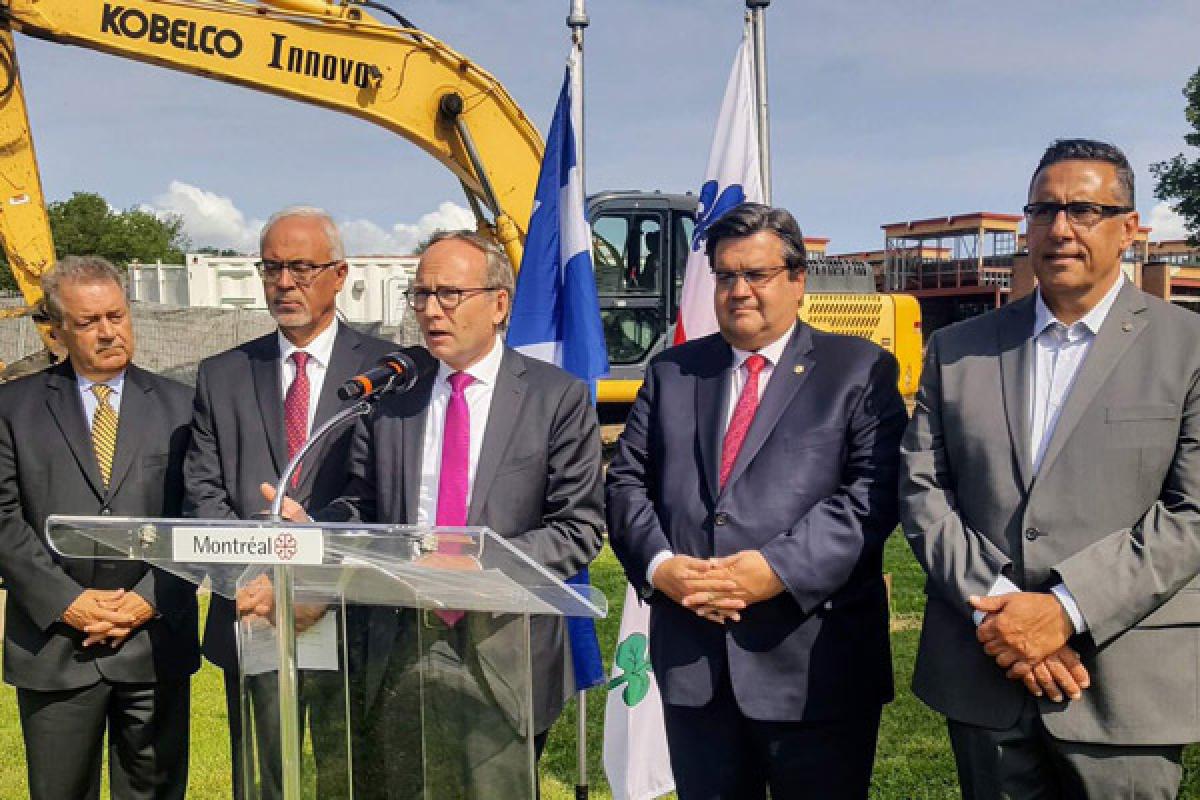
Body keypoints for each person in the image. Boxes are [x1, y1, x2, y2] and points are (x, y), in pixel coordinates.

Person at [901, 138, 1200, 798]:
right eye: (1044, 209)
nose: (1061, 227)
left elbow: (1192, 513)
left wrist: (1065, 610)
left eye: (1084, 209)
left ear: (1129, 229)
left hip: (1124, 685)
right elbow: (924, 491)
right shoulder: (958, 350)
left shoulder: (1187, 349)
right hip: (984, 672)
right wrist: (1004, 612)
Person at [274, 229, 605, 799]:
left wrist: (476, 565)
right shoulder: (395, 394)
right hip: (400, 638)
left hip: (506, 647)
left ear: (499, 303)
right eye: (419, 294)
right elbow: (365, 505)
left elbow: (577, 531)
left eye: (449, 293)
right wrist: (318, 530)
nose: (430, 309)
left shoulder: (556, 397)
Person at [607, 202, 907, 800]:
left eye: (757, 275)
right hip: (695, 663)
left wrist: (772, 571)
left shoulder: (858, 369)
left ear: (797, 280)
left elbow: (871, 495)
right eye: (725, 276)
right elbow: (625, 484)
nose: (739, 290)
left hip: (815, 665)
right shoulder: (672, 372)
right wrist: (664, 569)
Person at [182, 207, 395, 799]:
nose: (284, 282)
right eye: (271, 267)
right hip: (254, 611)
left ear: (340, 274)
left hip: (351, 611)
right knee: (262, 779)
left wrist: (317, 584)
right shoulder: (223, 374)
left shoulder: (390, 372)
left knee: (351, 775)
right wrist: (260, 586)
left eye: (301, 266)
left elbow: (385, 492)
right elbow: (203, 493)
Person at [0, 256, 198, 800]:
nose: (108, 331)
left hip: (154, 643)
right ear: (56, 330)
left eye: (116, 315)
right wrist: (68, 602)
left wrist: (146, 601)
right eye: (89, 322)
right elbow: (2, 518)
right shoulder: (11, 407)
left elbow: (197, 516)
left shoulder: (184, 407)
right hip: (56, 647)